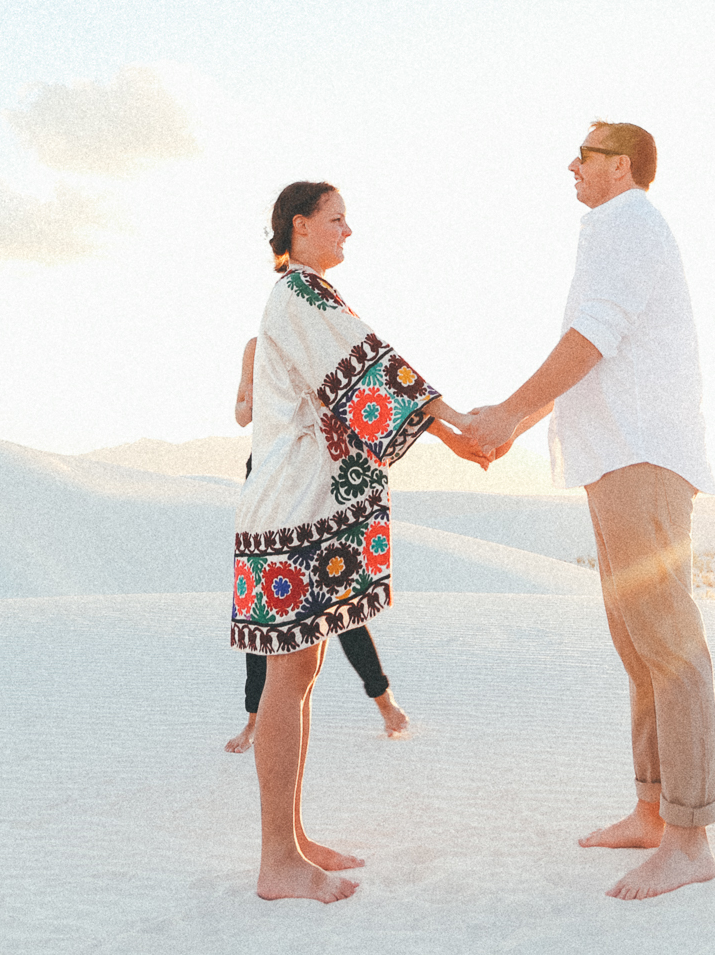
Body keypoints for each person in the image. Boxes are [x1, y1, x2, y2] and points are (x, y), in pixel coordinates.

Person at [461, 122, 715, 903]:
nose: (569, 165)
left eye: (584, 155)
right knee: (637, 641)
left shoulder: (627, 222)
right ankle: (653, 811)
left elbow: (591, 338)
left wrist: (507, 414)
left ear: (622, 167)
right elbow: (595, 346)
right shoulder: (613, 228)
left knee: (668, 644)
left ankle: (688, 838)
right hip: (617, 458)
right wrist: (517, 421)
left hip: (640, 455)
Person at [233, 179, 484, 904]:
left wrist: (454, 427)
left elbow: (363, 373)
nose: (349, 231)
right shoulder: (299, 296)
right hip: (287, 511)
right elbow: (369, 370)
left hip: (295, 506)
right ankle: (277, 859)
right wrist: (459, 425)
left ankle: (291, 836)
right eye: (336, 219)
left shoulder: (308, 296)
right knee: (288, 678)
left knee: (300, 676)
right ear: (300, 225)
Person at [224, 335, 409, 750]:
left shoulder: (314, 341)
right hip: (270, 475)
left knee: (339, 597)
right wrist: (252, 404)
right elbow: (240, 413)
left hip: (316, 473)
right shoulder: (254, 346)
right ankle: (253, 721)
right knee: (266, 608)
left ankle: (385, 702)